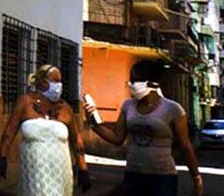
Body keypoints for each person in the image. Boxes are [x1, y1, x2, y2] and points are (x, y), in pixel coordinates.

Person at [84, 60, 202, 196]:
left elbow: (185, 146)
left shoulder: (173, 109)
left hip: (162, 178)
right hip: (133, 174)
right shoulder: (128, 106)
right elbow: (117, 138)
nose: (130, 84)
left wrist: (196, 179)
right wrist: (93, 123)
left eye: (134, 80)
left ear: (151, 82)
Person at [0, 65, 90, 195]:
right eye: (55, 81)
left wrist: (83, 168)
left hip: (60, 172)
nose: (59, 85)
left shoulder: (65, 108)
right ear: (42, 82)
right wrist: (2, 158)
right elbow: (9, 133)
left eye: (60, 81)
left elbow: (76, 140)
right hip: (34, 171)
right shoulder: (25, 102)